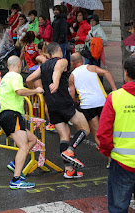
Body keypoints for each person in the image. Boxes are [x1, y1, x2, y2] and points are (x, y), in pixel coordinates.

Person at [26, 42, 90, 179]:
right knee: (85, 128)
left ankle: (68, 170)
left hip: (51, 105)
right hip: (63, 102)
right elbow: (57, 70)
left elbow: (29, 78)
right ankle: (70, 151)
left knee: (64, 136)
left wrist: (35, 91)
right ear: (59, 50)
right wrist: (55, 83)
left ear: (48, 54)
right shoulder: (62, 61)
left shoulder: (43, 66)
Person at [0, 55, 43, 189]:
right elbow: (19, 91)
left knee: (32, 139)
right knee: (23, 146)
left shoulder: (5, 78)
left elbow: (0, 95)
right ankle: (16, 180)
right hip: (12, 115)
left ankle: (14, 164)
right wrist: (36, 91)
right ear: (19, 64)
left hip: (6, 114)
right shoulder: (16, 76)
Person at [97, 56, 135, 212]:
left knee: (118, 207)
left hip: (121, 163)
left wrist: (107, 152)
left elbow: (103, 133)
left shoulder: (115, 98)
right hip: (122, 163)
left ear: (126, 73)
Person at [69, 52, 117, 147]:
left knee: (97, 133)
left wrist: (76, 102)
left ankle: (109, 158)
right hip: (102, 102)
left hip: (87, 105)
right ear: (82, 60)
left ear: (72, 63)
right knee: (110, 128)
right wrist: (114, 88)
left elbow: (72, 95)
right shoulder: (92, 68)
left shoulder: (72, 76)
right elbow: (106, 72)